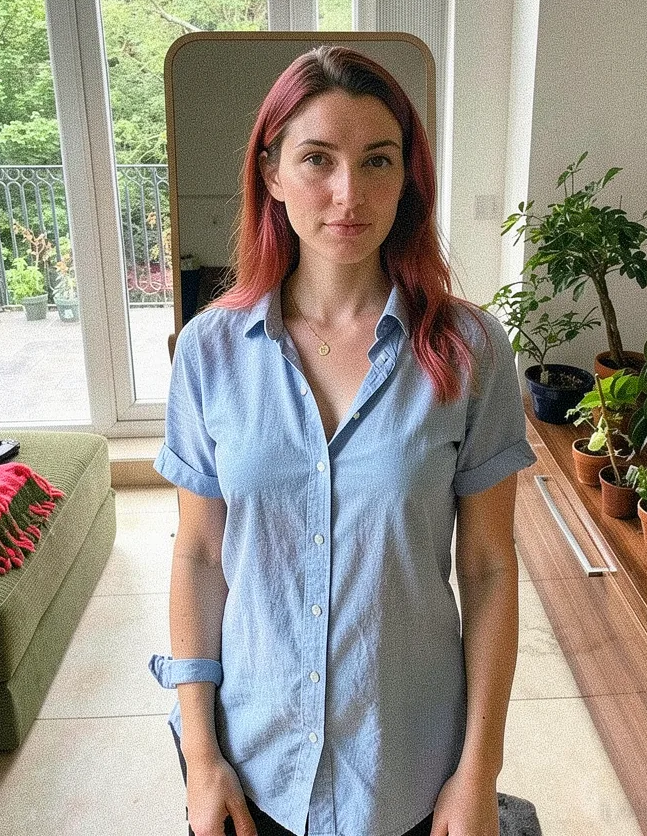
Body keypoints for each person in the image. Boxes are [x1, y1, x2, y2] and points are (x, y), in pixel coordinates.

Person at [149, 45, 536, 836]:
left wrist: (479, 771)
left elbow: (490, 568)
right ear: (271, 173)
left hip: (409, 766)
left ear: (407, 178)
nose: (348, 194)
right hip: (255, 762)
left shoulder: (470, 350)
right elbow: (199, 556)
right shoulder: (209, 350)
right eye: (317, 159)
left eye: (377, 160)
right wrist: (201, 755)